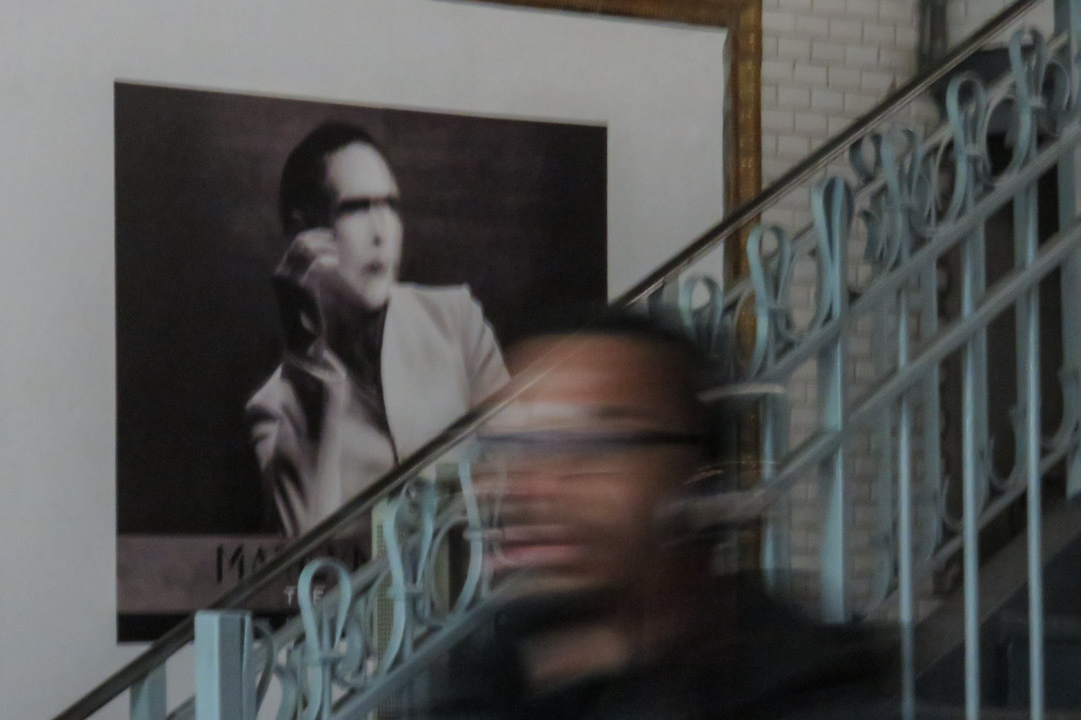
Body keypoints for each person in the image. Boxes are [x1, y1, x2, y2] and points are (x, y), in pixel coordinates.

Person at [430, 310, 898, 720]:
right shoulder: (496, 674)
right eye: (509, 443)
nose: (530, 484)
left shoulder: (805, 684)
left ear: (697, 479)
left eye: (589, 444)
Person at [246, 122, 509, 537]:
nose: (381, 232)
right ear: (302, 234)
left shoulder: (455, 321)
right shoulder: (276, 409)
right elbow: (302, 555)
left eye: (390, 206)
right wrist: (307, 357)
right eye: (355, 208)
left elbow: (516, 474)